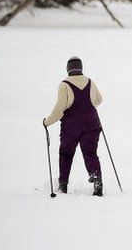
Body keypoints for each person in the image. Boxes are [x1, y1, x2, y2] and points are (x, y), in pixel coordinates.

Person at [43, 56, 104, 196]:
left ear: (68, 69)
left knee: (66, 154)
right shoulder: (89, 82)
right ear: (81, 68)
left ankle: (63, 185)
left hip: (71, 127)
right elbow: (99, 99)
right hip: (92, 124)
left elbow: (59, 109)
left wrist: (47, 122)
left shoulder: (64, 84)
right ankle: (97, 179)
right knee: (90, 153)